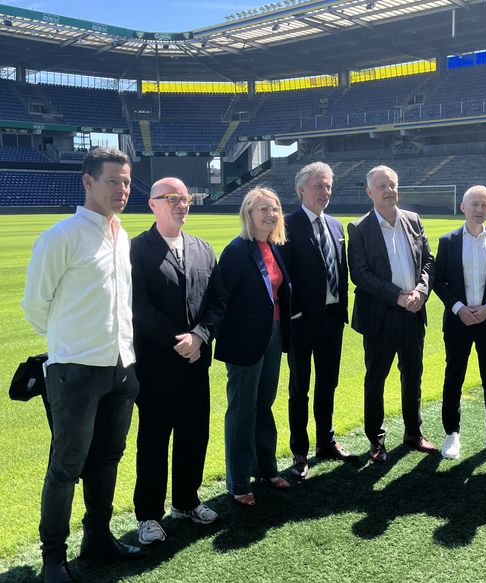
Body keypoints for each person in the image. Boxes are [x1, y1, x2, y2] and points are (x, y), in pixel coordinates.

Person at [21, 147, 142, 583]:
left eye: (127, 182)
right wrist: (69, 345)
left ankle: (97, 538)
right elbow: (36, 305)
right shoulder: (63, 236)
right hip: (74, 371)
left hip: (119, 368)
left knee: (108, 457)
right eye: (113, 181)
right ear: (88, 182)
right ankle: (53, 559)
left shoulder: (122, 235)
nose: (122, 190)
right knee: (66, 467)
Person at [131, 177, 225, 546]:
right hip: (156, 365)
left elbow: (217, 302)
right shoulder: (137, 250)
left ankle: (186, 502)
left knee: (194, 434)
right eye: (171, 198)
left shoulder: (203, 249)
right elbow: (139, 308)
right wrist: (179, 340)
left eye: (185, 197)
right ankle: (149, 515)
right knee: (154, 440)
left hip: (196, 361)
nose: (181, 204)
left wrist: (200, 335)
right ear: (153, 204)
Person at [347, 165, 435, 464]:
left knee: (413, 376)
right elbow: (359, 274)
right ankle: (376, 440)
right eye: (382, 186)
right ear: (369, 192)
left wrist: (421, 291)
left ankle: (413, 432)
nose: (389, 190)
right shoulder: (359, 228)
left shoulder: (413, 220)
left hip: (413, 313)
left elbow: (428, 261)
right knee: (376, 380)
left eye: (393, 185)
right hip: (380, 317)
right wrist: (397, 296)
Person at [215, 187, 291, 506]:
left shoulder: (274, 247)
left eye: (274, 209)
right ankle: (238, 481)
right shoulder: (237, 250)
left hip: (272, 335)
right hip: (245, 342)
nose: (270, 214)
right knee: (242, 410)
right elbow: (220, 300)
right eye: (262, 209)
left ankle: (266, 469)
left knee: (264, 404)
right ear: (248, 213)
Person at [280, 162, 353, 479]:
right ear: (301, 190)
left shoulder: (336, 226)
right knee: (300, 388)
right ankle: (299, 452)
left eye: (328, 186)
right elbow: (283, 277)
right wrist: (295, 312)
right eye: (319, 186)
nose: (325, 192)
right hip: (302, 322)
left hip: (332, 319)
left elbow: (341, 268)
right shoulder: (286, 225)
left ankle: (326, 441)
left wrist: (340, 310)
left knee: (328, 384)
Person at [434, 186, 486, 460]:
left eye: (484, 205)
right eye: (474, 204)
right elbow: (439, 281)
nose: (479, 209)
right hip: (458, 321)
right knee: (453, 377)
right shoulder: (448, 241)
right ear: (463, 207)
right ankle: (452, 435)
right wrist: (458, 308)